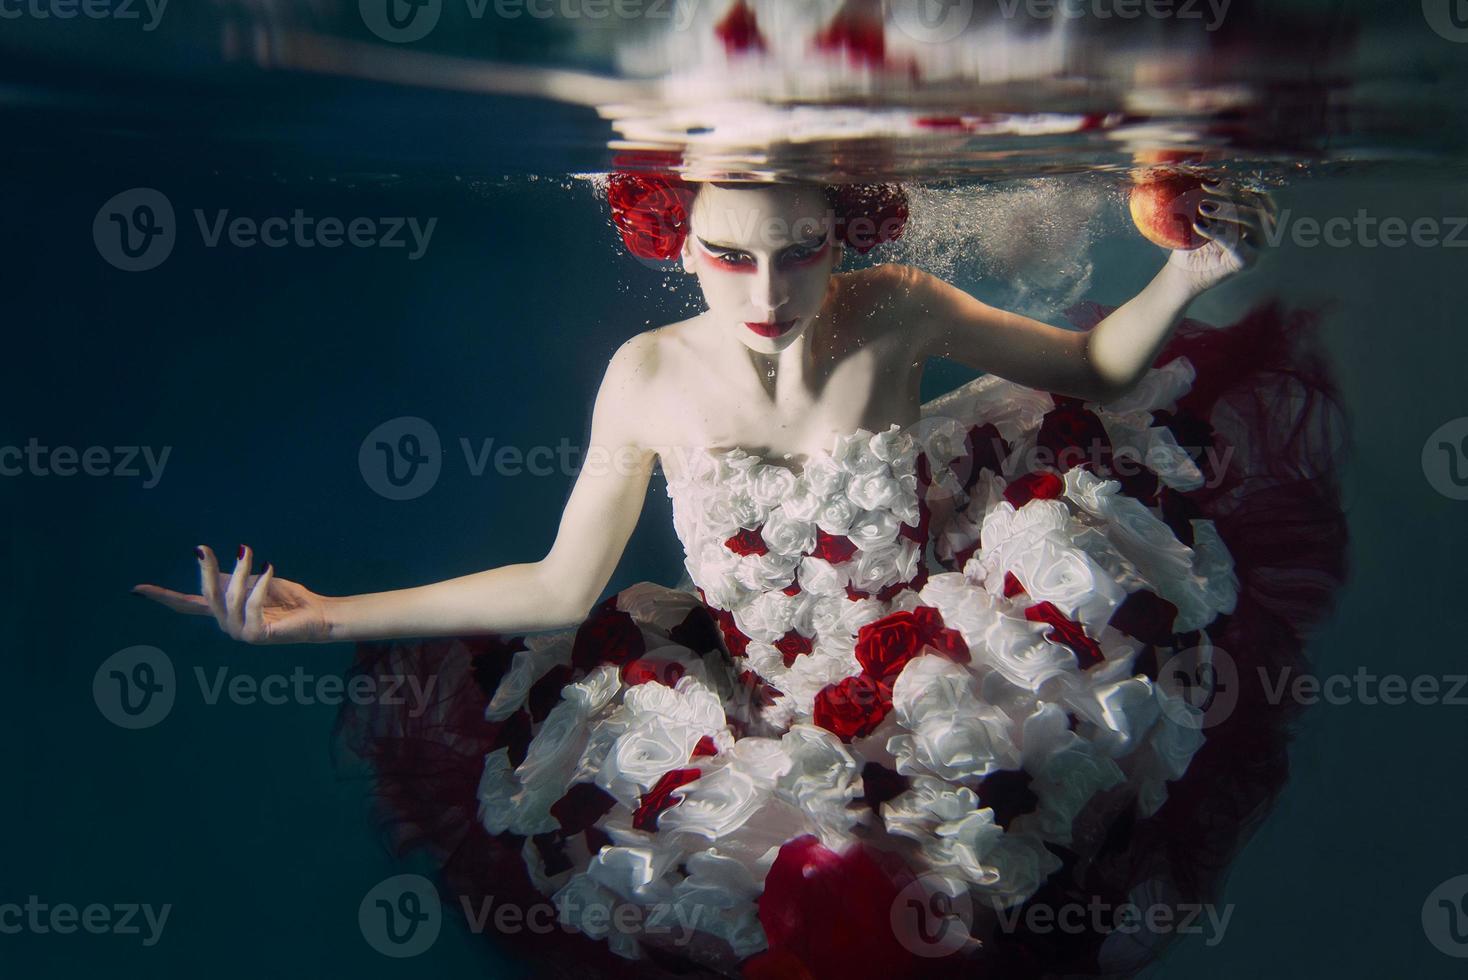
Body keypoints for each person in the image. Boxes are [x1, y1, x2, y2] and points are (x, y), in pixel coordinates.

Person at [134, 174, 1348, 978]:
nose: (766, 294)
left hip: (948, 686)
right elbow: (563, 587)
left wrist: (1188, 275)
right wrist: (325, 616)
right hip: (762, 731)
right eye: (727, 256)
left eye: (799, 252)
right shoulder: (647, 373)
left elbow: (1091, 365)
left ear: (845, 231)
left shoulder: (898, 309)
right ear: (672, 235)